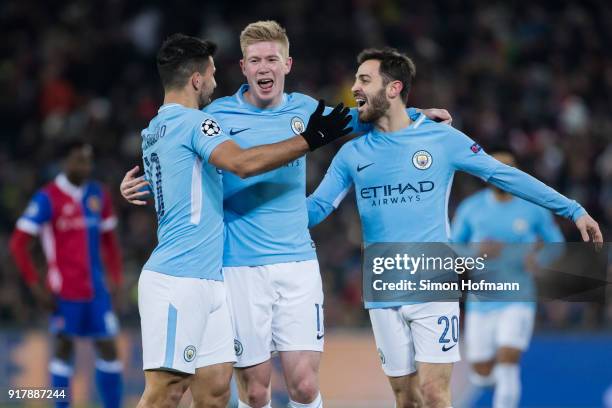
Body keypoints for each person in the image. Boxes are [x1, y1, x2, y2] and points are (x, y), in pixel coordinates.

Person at [121, 21, 451, 408]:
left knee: (301, 386)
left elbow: (363, 118)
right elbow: (185, 155)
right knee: (254, 391)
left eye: (272, 59)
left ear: (287, 64)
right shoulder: (216, 115)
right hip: (235, 265)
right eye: (255, 60)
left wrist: (415, 115)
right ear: (243, 67)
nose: (264, 67)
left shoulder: (307, 109)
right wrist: (135, 184)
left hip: (296, 262)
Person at [306, 47, 602, 408]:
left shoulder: (441, 140)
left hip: (432, 279)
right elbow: (317, 207)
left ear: (394, 88)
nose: (354, 87)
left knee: (434, 394)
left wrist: (572, 209)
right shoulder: (351, 154)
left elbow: (505, 175)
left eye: (364, 80)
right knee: (405, 397)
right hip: (382, 283)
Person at [135, 33, 352, 408]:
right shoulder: (196, 123)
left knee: (217, 392)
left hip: (211, 279)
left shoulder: (154, 130)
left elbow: (175, 181)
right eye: (213, 74)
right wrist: (308, 140)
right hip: (177, 277)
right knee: (165, 392)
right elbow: (242, 163)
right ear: (197, 80)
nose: (217, 83)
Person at [9, 141, 123, 408]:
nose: (85, 166)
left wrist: (115, 280)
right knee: (64, 349)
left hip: (96, 290)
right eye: (79, 160)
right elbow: (18, 243)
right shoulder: (47, 198)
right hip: (64, 292)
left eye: (88, 160)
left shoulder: (98, 194)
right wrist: (35, 286)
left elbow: (109, 241)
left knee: (109, 348)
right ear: (66, 163)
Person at [451, 150, 565, 408]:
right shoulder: (472, 208)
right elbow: (453, 245)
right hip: (481, 301)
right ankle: (487, 379)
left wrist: (539, 260)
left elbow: (555, 242)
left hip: (518, 296)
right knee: (481, 373)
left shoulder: (532, 207)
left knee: (508, 358)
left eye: (508, 169)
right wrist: (476, 253)